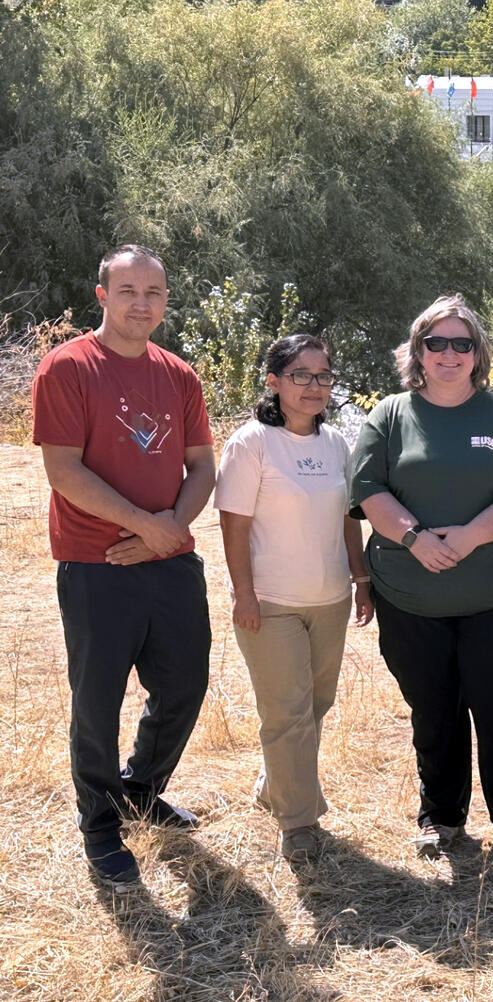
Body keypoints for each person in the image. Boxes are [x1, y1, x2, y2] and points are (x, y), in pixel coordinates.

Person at [32, 245, 214, 886]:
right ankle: (100, 826)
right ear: (102, 294)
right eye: (129, 290)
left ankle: (140, 789)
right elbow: (64, 471)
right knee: (98, 699)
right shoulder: (68, 367)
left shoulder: (179, 375)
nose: (143, 303)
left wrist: (169, 534)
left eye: (154, 292)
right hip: (97, 563)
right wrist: (147, 526)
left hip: (170, 562)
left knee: (185, 684)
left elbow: (202, 467)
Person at [349, 295, 493, 855]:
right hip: (411, 599)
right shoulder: (389, 415)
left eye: (463, 343)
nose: (450, 354)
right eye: (437, 343)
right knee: (434, 709)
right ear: (419, 351)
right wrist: (414, 538)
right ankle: (441, 817)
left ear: (478, 353)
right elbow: (368, 490)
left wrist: (468, 536)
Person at [215, 334, 374, 864]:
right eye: (300, 375)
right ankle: (299, 822)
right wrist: (244, 594)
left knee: (315, 705)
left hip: (328, 599)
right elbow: (233, 527)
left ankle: (275, 787)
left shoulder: (337, 446)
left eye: (323, 376)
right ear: (274, 381)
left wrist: (360, 579)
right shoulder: (251, 443)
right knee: (286, 714)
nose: (313, 387)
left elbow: (349, 519)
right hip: (271, 603)